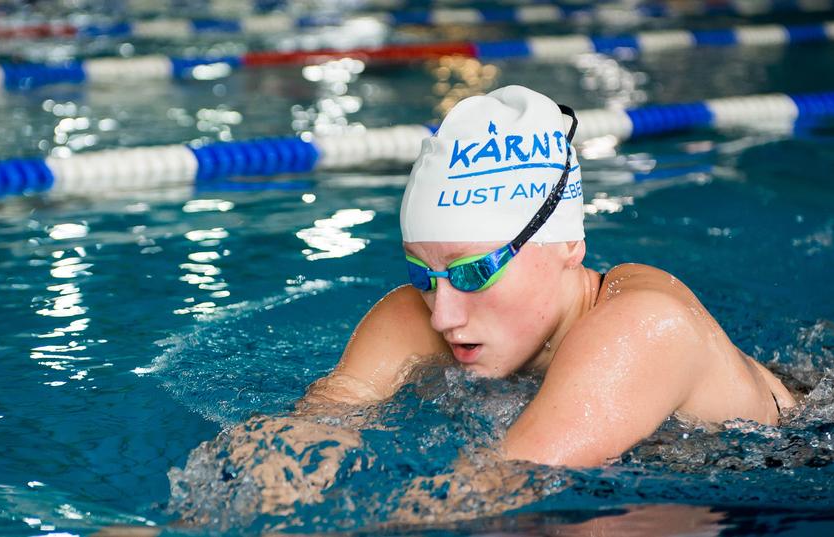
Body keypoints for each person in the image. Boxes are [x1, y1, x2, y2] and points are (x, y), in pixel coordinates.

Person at [300, 85, 795, 467]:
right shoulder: (420, 311)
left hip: (786, 461)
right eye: (423, 274)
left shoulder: (644, 328)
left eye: (474, 271)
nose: (443, 315)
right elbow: (308, 432)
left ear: (568, 245)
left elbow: (494, 492)